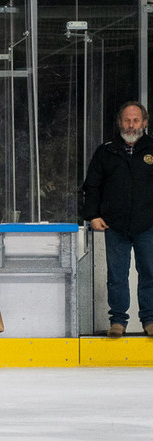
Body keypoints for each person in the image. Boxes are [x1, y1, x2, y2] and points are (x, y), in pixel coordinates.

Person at [81, 101, 153, 338]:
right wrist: (93, 215)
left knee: (150, 273)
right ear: (119, 122)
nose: (131, 125)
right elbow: (92, 186)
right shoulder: (106, 151)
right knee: (116, 276)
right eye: (127, 120)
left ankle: (150, 320)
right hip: (115, 226)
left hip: (148, 226)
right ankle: (118, 322)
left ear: (144, 122)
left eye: (136, 120)